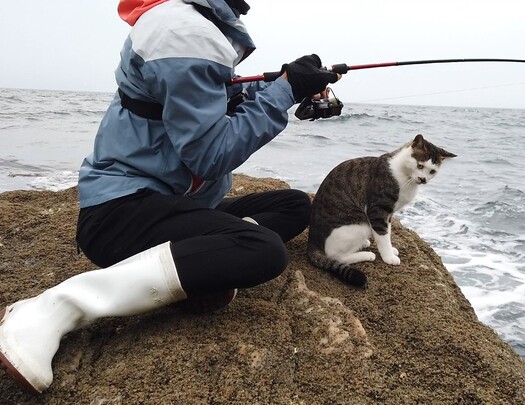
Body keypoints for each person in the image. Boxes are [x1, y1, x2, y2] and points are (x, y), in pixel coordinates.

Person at [0, 0, 340, 394]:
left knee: (294, 205)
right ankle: (57, 307)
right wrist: (285, 92)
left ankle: (210, 254)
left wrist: (284, 82)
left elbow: (208, 98)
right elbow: (210, 154)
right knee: (265, 251)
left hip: (172, 202)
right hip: (119, 212)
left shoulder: (193, 23)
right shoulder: (183, 32)